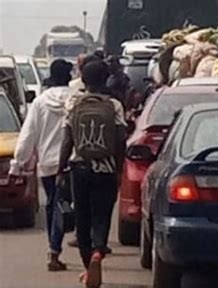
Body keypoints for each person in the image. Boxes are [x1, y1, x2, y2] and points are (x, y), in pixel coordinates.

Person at [58, 60, 127, 287]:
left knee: (83, 217)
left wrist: (60, 169)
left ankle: (89, 267)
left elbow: (67, 140)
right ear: (105, 79)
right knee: (102, 215)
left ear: (84, 80)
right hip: (105, 170)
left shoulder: (74, 103)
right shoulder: (115, 105)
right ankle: (99, 251)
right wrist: (118, 170)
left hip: (79, 168)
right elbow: (120, 139)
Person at [9, 59, 73, 272]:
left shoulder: (40, 102)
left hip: (47, 164)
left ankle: (53, 247)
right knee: (68, 205)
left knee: (53, 204)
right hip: (72, 163)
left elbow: (28, 135)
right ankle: (63, 248)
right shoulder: (77, 99)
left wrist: (18, 163)